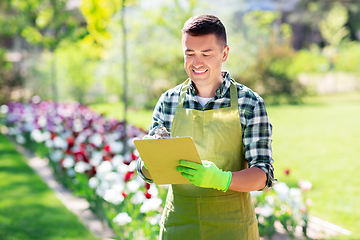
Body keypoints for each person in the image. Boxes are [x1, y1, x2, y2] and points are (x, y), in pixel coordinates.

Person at [137, 14, 276, 240]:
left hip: (233, 228)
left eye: (206, 54)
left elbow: (263, 174)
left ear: (224, 53)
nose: (197, 62)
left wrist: (221, 179)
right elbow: (146, 172)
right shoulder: (169, 101)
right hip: (179, 225)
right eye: (189, 53)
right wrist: (149, 160)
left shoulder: (249, 103)